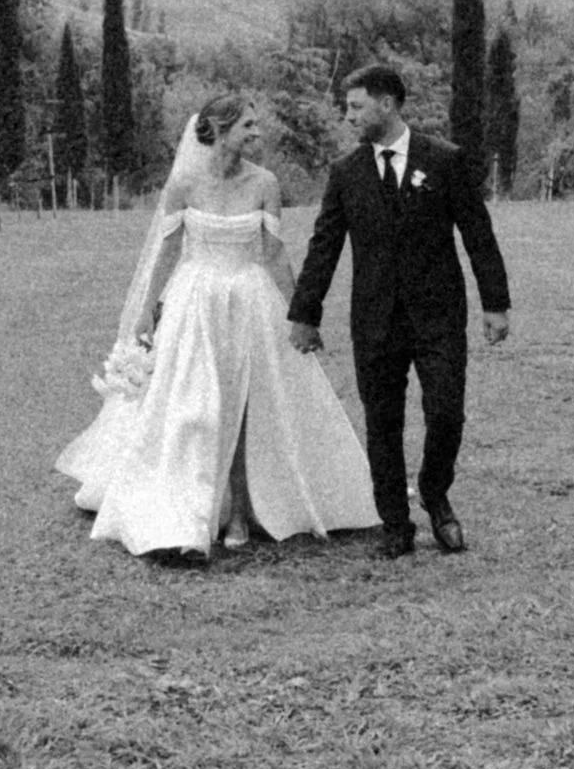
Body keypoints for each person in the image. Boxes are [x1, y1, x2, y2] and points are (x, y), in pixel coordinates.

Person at [58, 94, 380, 564]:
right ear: (218, 128)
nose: (257, 133)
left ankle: (240, 514)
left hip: (250, 300)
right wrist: (147, 310)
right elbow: (167, 250)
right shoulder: (184, 183)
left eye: (256, 124)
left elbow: (273, 252)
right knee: (195, 404)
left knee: (248, 402)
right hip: (195, 301)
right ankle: (187, 511)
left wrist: (301, 312)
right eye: (248, 125)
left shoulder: (265, 183)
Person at [287, 63, 511, 559]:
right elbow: (324, 246)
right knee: (382, 423)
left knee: (446, 412)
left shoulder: (446, 160)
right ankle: (395, 522)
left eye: (356, 105)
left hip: (438, 317)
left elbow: (478, 235)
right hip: (375, 319)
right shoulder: (346, 173)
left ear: (387, 104)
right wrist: (305, 313)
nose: (348, 116)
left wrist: (495, 304)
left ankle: (435, 493)